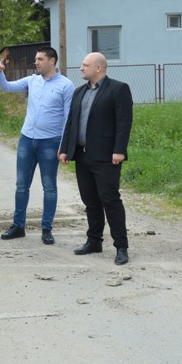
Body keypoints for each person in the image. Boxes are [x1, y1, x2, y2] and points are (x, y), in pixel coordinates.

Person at [58, 52, 134, 265]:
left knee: (110, 200)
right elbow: (71, 122)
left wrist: (119, 150)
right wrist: (65, 149)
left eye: (85, 65)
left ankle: (121, 246)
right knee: (90, 201)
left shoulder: (118, 89)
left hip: (107, 157)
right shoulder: (79, 92)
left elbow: (123, 122)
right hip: (82, 156)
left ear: (98, 68)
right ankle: (94, 241)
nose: (81, 68)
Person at [0, 47, 74, 245]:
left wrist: (63, 146)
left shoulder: (66, 85)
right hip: (27, 140)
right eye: (36, 59)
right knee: (21, 185)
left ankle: (46, 228)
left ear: (52, 60)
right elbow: (6, 87)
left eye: (40, 59)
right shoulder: (32, 80)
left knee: (49, 187)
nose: (36, 63)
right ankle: (18, 226)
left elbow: (68, 118)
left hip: (51, 141)